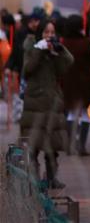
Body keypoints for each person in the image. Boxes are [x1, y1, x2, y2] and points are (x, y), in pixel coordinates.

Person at [20, 19, 73, 189]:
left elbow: (67, 64)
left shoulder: (53, 50)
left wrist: (59, 50)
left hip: (52, 102)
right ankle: (33, 179)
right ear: (40, 33)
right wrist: (39, 50)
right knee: (34, 144)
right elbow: (27, 70)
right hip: (35, 103)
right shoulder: (31, 47)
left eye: (52, 32)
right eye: (46, 32)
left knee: (52, 145)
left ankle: (52, 178)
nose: (49, 36)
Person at [60, 14, 90, 156]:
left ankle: (70, 145)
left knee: (71, 113)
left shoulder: (63, 43)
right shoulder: (86, 42)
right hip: (85, 83)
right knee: (85, 115)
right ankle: (82, 146)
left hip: (68, 83)